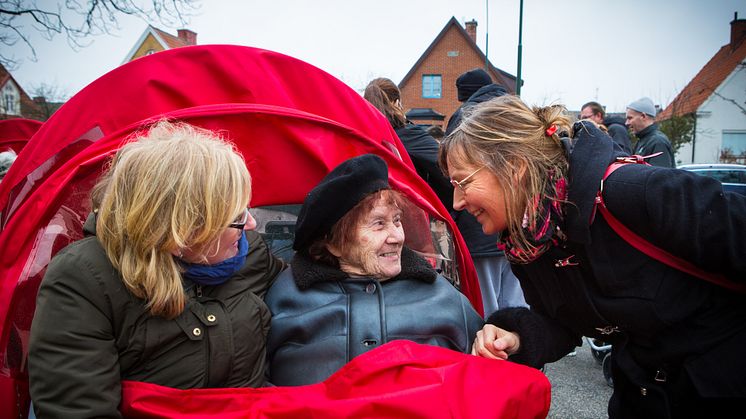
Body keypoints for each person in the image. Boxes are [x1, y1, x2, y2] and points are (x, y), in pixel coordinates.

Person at [439, 94, 746, 418]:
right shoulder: (527, 243)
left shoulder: (630, 192)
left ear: (514, 168)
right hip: (641, 393)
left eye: (462, 182)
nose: (457, 202)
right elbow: (562, 324)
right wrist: (514, 337)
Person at [28, 121, 285, 417]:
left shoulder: (249, 251)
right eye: (236, 216)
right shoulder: (84, 279)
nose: (251, 225)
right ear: (180, 227)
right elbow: (77, 410)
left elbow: (307, 285)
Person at [265, 154, 483, 386]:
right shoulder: (284, 299)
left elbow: (487, 377)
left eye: (397, 221)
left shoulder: (443, 297)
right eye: (379, 224)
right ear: (334, 243)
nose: (397, 237)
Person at [445, 68, 527, 315]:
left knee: (486, 308)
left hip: (479, 239)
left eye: (463, 182)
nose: (457, 202)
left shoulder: (466, 121)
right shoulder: (514, 111)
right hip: (521, 235)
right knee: (519, 300)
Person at [363, 78, 453, 210]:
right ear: (397, 103)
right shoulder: (407, 135)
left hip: (370, 210)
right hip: (406, 210)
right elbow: (445, 162)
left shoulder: (364, 136)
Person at [625, 97, 675, 167]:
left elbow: (660, 176)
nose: (626, 123)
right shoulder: (643, 141)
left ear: (643, 116)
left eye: (630, 118)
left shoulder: (658, 142)